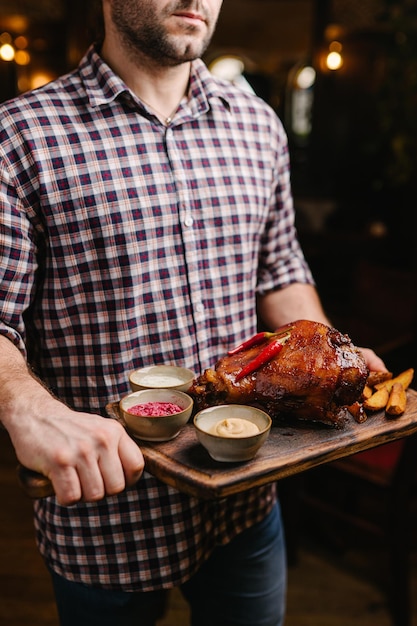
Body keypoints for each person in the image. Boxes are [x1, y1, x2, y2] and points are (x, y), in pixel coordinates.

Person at [0, 1, 386, 625]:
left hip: (247, 499)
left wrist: (330, 356)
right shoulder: (19, 136)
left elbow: (282, 271)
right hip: (107, 516)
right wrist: (27, 408)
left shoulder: (259, 124)